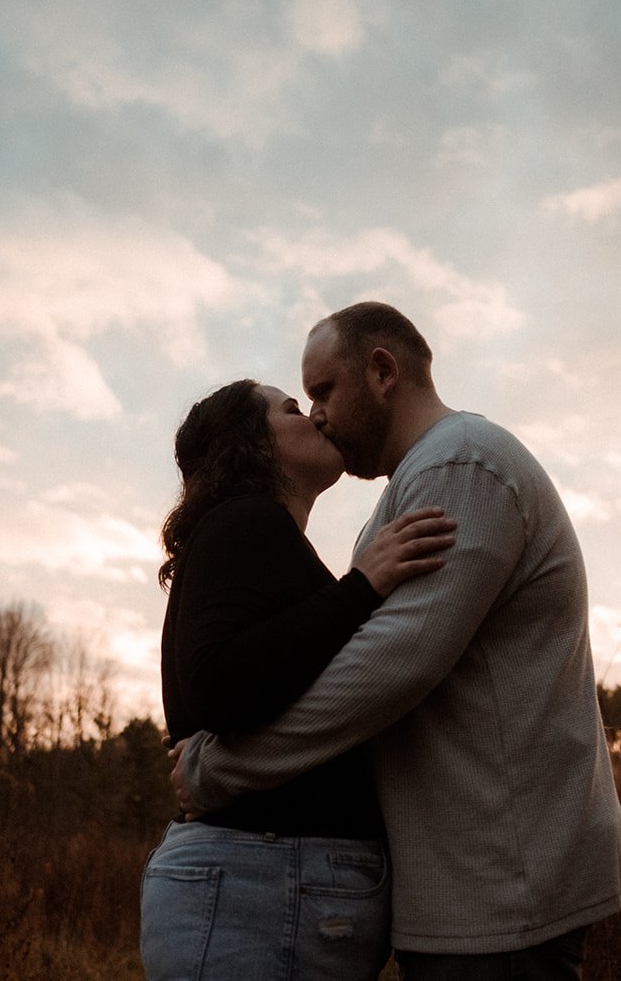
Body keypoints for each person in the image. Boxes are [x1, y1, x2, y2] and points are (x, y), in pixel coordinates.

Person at [175, 303, 621, 979]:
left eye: (324, 391)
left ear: (383, 370)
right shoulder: (418, 489)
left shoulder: (463, 466)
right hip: (466, 888)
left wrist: (220, 770)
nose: (319, 415)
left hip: (501, 889)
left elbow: (386, 670)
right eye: (304, 403)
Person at [140, 378, 458, 981]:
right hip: (260, 881)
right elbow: (218, 685)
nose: (315, 416)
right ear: (253, 446)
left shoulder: (264, 539)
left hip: (269, 882)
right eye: (291, 408)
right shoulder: (245, 522)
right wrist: (360, 588)